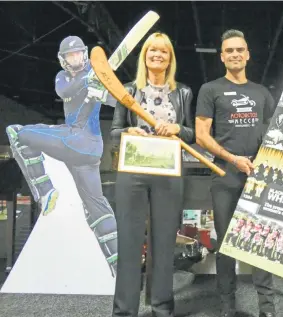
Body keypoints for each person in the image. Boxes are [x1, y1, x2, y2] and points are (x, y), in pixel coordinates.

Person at [5, 35, 118, 276]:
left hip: (79, 141)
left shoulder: (94, 72)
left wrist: (102, 88)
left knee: (16, 133)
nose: (74, 58)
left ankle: (44, 191)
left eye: (77, 53)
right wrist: (90, 80)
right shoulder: (64, 77)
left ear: (84, 53)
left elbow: (116, 100)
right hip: (85, 151)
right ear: (63, 59)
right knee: (97, 208)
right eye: (69, 55)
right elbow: (65, 89)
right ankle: (118, 270)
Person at [110, 32, 195, 317]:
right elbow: (114, 131)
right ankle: (124, 311)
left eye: (164, 51)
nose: (158, 55)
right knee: (129, 242)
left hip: (168, 173)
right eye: (152, 50)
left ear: (170, 59)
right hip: (132, 171)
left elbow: (191, 133)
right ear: (144, 56)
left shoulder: (183, 92)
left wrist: (177, 130)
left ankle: (161, 308)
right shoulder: (127, 90)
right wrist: (127, 131)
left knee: (164, 244)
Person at [195, 29, 276, 317]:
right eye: (229, 50)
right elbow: (202, 135)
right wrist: (233, 158)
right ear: (222, 56)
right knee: (227, 244)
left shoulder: (261, 92)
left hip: (257, 176)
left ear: (248, 54)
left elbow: (280, 134)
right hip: (226, 175)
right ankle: (227, 307)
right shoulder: (210, 89)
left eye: (239, 49)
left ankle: (266, 308)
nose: (235, 54)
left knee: (261, 242)